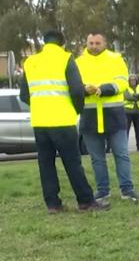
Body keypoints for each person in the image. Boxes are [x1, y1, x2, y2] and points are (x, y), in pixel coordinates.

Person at [20, 30, 108, 213]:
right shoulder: (66, 58)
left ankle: (53, 204)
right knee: (72, 163)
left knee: (45, 164)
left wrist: (39, 105)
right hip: (63, 121)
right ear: (62, 43)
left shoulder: (30, 62)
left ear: (45, 43)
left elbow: (24, 95)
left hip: (40, 122)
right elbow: (77, 90)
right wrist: (76, 109)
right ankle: (85, 201)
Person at [76, 32, 139, 202]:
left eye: (97, 43)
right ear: (86, 43)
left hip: (114, 116)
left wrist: (103, 89)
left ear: (105, 43)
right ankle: (102, 190)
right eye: (91, 43)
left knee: (121, 154)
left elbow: (122, 82)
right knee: (97, 158)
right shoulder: (79, 62)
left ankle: (127, 189)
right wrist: (84, 89)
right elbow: (74, 85)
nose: (94, 46)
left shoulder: (115, 59)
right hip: (90, 117)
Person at [124, 74, 139, 151]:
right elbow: (127, 97)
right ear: (129, 81)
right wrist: (138, 96)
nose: (132, 81)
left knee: (138, 130)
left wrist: (137, 95)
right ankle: (124, 148)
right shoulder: (126, 87)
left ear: (136, 80)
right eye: (131, 80)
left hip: (138, 112)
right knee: (126, 130)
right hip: (128, 112)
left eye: (134, 80)